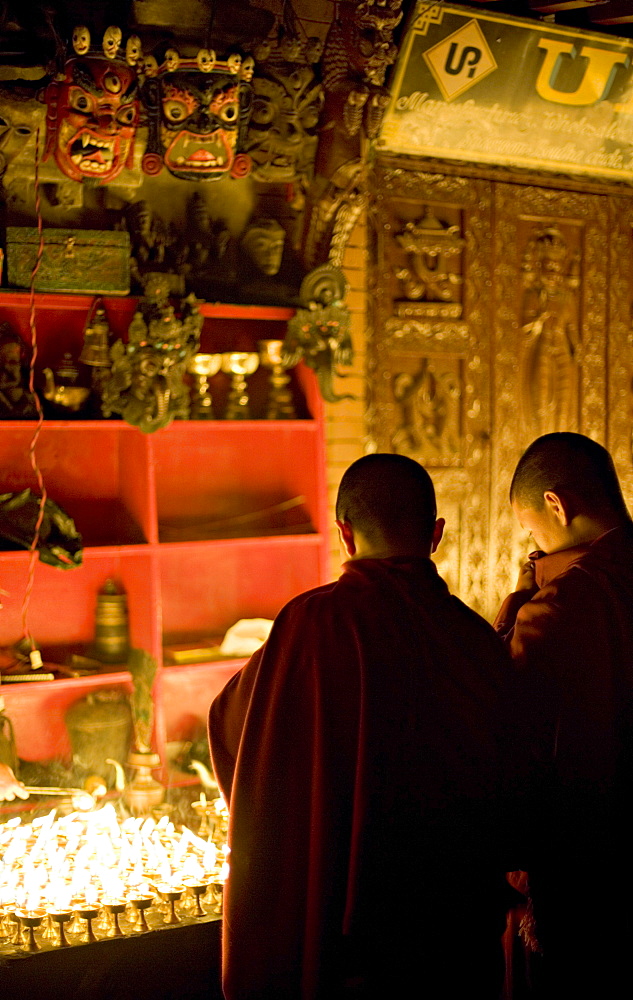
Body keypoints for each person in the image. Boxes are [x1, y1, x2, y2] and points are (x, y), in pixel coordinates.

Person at [209, 453, 513, 1000]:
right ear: (436, 534)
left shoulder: (310, 625)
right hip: (451, 937)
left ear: (345, 534)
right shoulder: (476, 640)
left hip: (343, 932)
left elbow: (237, 736)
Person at [494, 432, 633, 997]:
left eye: (531, 530)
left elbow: (508, 723)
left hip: (584, 870)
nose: (534, 546)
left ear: (556, 505)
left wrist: (515, 609)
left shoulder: (561, 607)